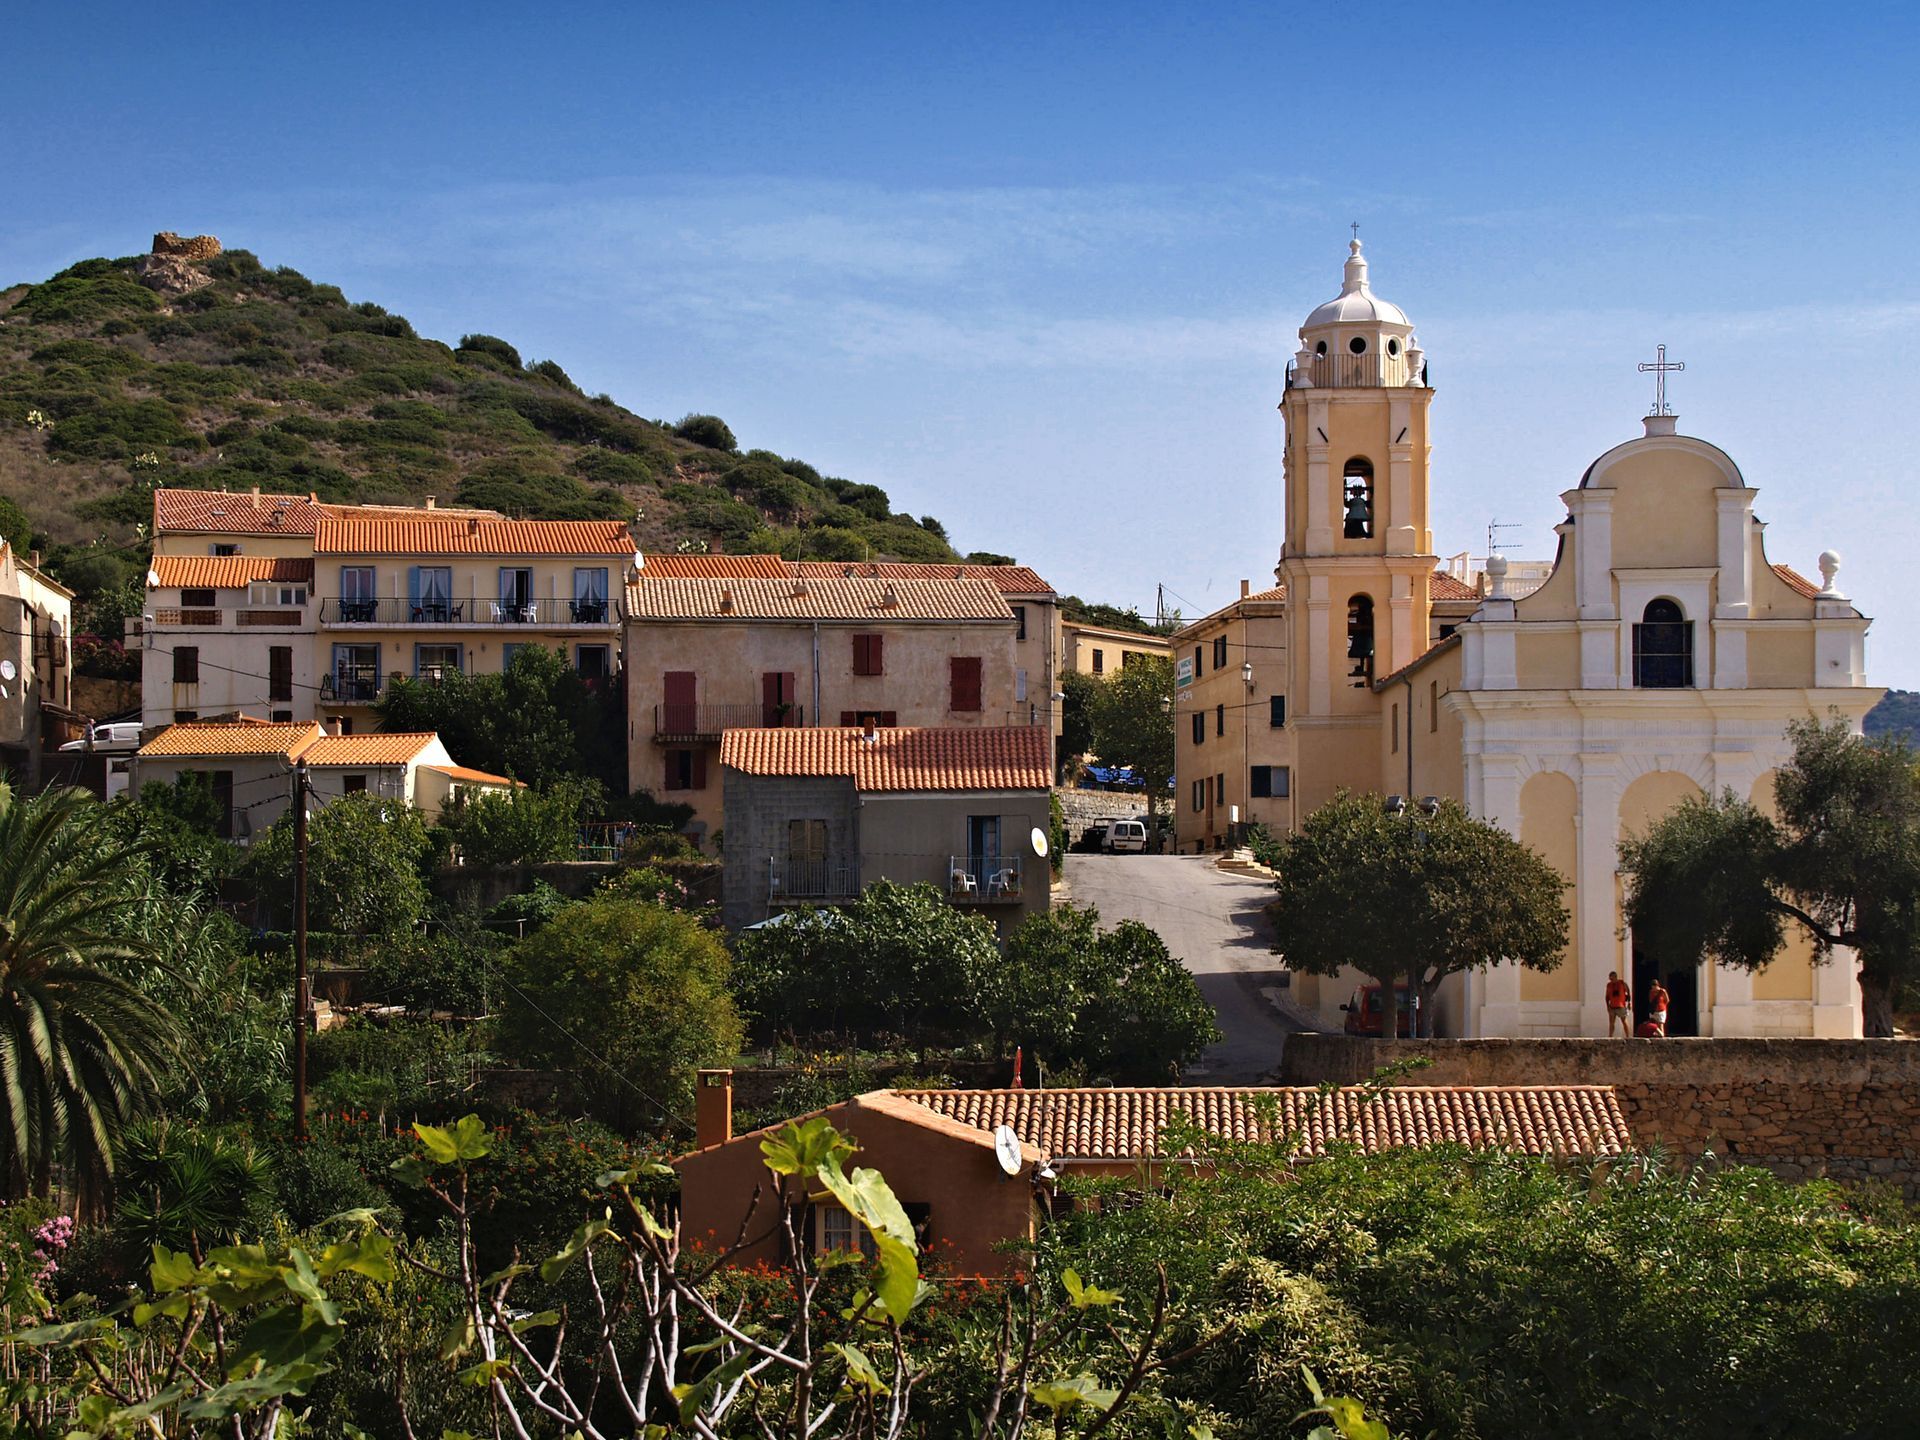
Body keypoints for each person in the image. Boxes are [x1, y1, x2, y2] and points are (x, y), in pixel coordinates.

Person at [1605, 971, 1632, 1037]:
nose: (1611, 980)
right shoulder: (1609, 985)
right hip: (1612, 1006)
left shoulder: (1622, 983)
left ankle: (1628, 1036)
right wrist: (1607, 1006)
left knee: (1624, 1021)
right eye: (1610, 979)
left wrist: (1629, 1003)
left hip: (1621, 1006)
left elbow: (1628, 993)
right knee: (1611, 1023)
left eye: (1612, 978)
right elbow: (1607, 996)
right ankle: (1610, 1036)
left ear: (1615, 977)